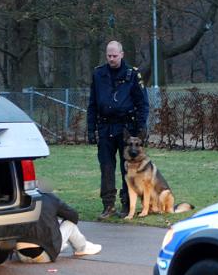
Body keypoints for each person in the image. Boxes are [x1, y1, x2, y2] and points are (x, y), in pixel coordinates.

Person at [87, 40, 149, 219]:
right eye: (109, 55)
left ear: (122, 54)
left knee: (127, 168)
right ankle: (108, 205)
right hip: (105, 127)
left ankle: (127, 203)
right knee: (106, 167)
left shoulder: (132, 75)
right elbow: (92, 104)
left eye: (115, 55)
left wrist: (139, 128)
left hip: (126, 129)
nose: (112, 59)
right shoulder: (98, 74)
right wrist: (91, 129)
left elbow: (142, 104)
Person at [15, 190, 101, 263]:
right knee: (69, 224)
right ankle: (82, 248)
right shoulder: (49, 197)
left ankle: (83, 244)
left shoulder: (18, 198)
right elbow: (73, 216)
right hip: (44, 255)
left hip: (20, 255)